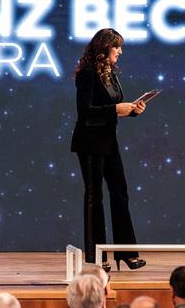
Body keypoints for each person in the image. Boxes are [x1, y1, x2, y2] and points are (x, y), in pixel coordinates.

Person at [71, 28, 146, 272]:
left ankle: (126, 252)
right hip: (90, 142)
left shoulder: (111, 74)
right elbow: (85, 111)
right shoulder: (87, 73)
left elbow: (113, 106)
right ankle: (96, 256)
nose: (120, 52)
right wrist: (115, 110)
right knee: (94, 197)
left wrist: (132, 110)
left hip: (109, 141)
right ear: (105, 48)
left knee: (120, 193)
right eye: (117, 47)